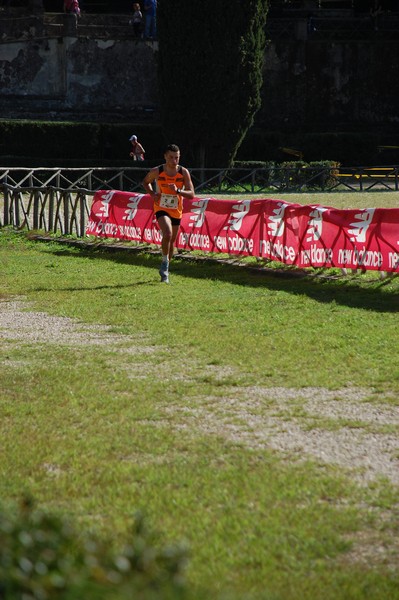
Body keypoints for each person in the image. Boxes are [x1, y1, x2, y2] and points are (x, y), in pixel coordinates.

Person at [142, 144, 195, 283]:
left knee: (171, 242)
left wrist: (178, 191)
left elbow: (192, 194)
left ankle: (166, 268)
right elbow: (145, 182)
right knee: (168, 233)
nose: (174, 160)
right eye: (171, 157)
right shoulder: (157, 171)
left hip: (176, 210)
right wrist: (152, 194)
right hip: (161, 207)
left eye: (176, 158)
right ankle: (164, 265)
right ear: (165, 156)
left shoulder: (183, 172)